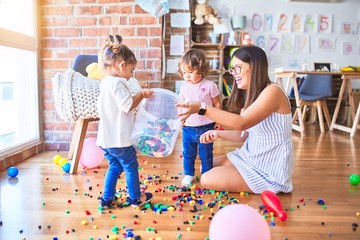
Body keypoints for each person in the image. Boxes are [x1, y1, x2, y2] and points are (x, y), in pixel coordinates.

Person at [177, 46, 294, 194]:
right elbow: (243, 134)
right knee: (205, 166)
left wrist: (202, 108)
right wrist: (217, 133)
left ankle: (262, 182)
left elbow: (241, 122)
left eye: (238, 68)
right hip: (249, 156)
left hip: (267, 168)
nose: (234, 73)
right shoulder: (250, 97)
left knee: (206, 178)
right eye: (232, 69)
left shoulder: (273, 91)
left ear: (255, 66)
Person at [96, 35, 154, 208]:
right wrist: (142, 94)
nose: (130, 75)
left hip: (106, 140)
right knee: (130, 165)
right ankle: (136, 198)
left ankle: (107, 199)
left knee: (114, 166)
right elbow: (127, 105)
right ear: (122, 66)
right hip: (119, 140)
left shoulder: (105, 82)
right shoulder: (117, 83)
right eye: (131, 70)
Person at [178, 49, 222, 186]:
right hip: (189, 128)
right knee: (188, 153)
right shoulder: (184, 87)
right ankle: (189, 174)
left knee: (206, 153)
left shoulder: (210, 86)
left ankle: (207, 173)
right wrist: (182, 119)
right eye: (184, 73)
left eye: (190, 72)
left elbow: (217, 103)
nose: (187, 76)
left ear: (201, 69)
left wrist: (218, 121)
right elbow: (181, 105)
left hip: (206, 126)